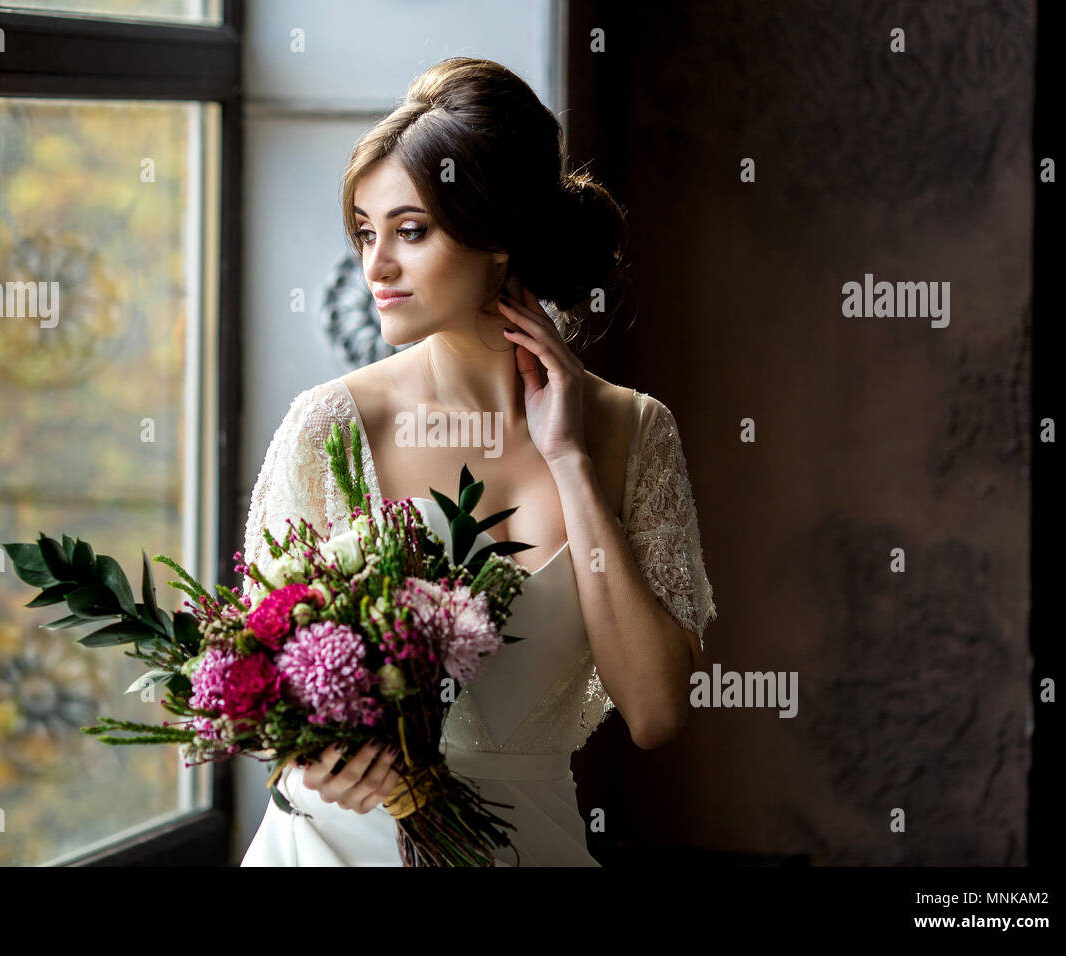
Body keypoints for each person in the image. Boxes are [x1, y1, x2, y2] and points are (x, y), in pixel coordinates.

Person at [239, 57, 716, 866]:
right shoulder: (332, 428)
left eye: (410, 230)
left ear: (497, 237)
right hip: (331, 848)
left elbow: (655, 712)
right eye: (365, 232)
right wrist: (319, 757)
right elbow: (255, 695)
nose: (376, 267)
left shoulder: (634, 432)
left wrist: (571, 461)